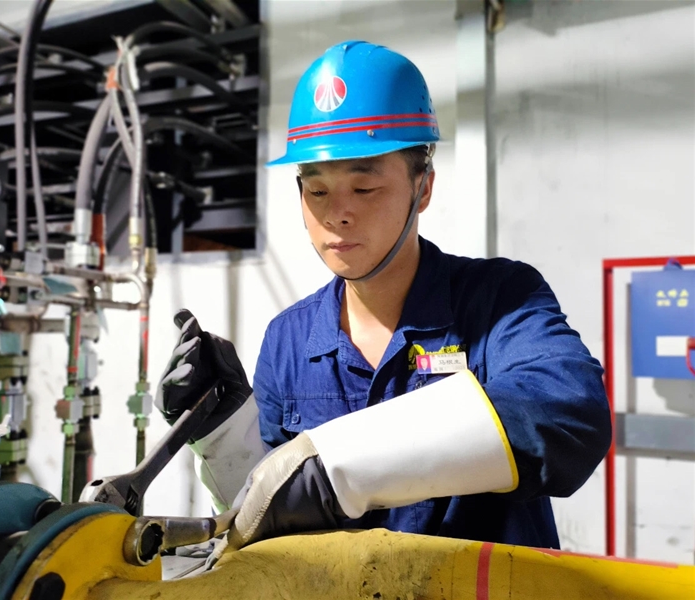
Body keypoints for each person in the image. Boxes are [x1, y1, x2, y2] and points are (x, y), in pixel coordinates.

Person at [156, 40, 611, 559]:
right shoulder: (288, 338)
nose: (337, 215)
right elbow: (262, 518)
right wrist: (223, 435)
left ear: (423, 188)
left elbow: (569, 412)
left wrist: (339, 465)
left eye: (364, 188)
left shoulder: (500, 299)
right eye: (317, 191)